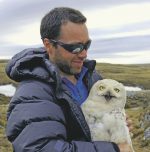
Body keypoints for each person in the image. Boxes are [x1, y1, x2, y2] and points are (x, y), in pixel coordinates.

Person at [5, 7, 133, 152]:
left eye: (86, 45)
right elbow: (44, 148)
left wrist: (115, 126)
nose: (84, 54)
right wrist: (112, 149)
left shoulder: (92, 78)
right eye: (75, 47)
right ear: (49, 45)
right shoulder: (33, 94)